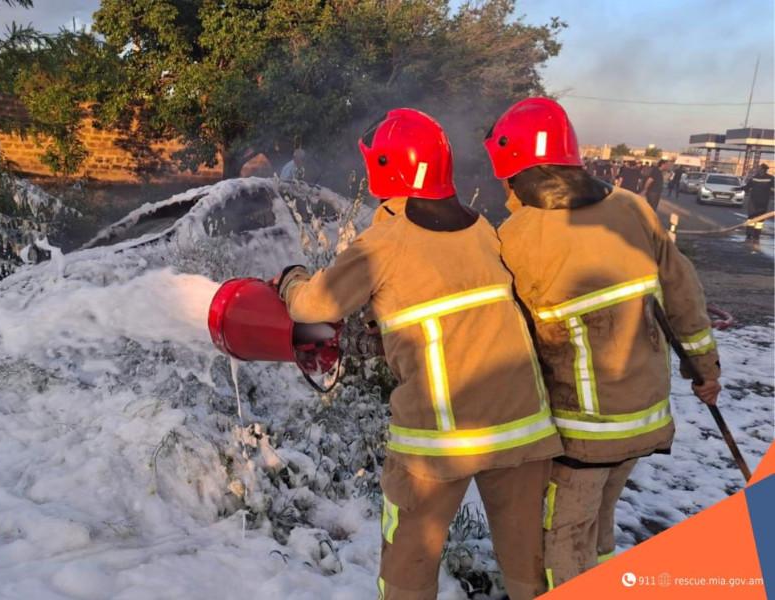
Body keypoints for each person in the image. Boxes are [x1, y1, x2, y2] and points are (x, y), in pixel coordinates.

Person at [277, 108, 563, 600]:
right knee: (529, 569)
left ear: (386, 168)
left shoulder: (385, 241)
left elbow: (314, 306)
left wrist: (290, 281)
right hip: (523, 428)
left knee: (408, 565)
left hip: (438, 441)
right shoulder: (482, 230)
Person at [483, 97, 722, 590]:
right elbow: (683, 293)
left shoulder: (515, 238)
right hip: (644, 416)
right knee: (599, 524)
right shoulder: (632, 208)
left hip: (582, 433)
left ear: (510, 166)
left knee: (562, 539)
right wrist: (705, 366)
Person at [740, 164, 773, 246]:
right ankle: (749, 235)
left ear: (764, 169)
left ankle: (756, 236)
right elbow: (748, 186)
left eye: (760, 168)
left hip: (763, 202)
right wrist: (739, 188)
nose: (758, 170)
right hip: (754, 201)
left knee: (760, 220)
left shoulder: (770, 178)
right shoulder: (755, 177)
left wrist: (771, 194)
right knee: (751, 218)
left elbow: (773, 189)